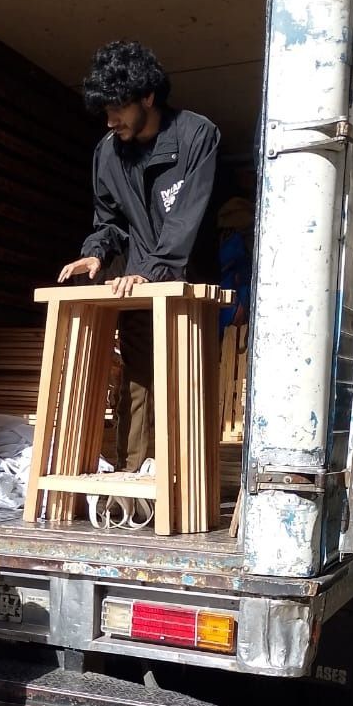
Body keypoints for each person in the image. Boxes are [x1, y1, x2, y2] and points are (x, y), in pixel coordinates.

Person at [58, 39, 220, 472]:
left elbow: (186, 220)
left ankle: (183, 481)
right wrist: (95, 253)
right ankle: (133, 480)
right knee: (137, 379)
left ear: (148, 97)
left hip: (189, 283)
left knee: (187, 381)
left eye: (119, 108)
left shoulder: (195, 135)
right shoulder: (107, 153)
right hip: (137, 279)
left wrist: (152, 270)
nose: (111, 120)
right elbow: (108, 220)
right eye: (105, 110)